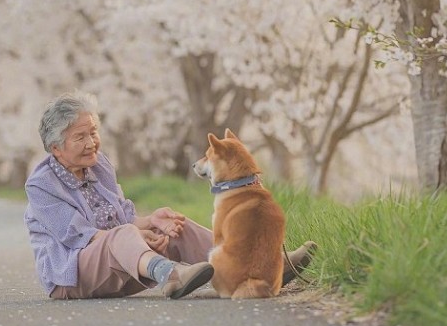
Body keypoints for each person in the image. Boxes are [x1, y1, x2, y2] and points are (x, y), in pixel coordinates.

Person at [24, 91, 315, 300]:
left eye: (94, 132)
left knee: (176, 226)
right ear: (56, 148)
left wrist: (152, 221)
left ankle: (265, 265)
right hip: (72, 278)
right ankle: (171, 275)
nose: (92, 143)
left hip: (125, 269)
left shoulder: (99, 164)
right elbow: (81, 235)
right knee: (123, 234)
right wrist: (136, 235)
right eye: (80, 137)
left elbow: (122, 219)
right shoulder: (41, 185)